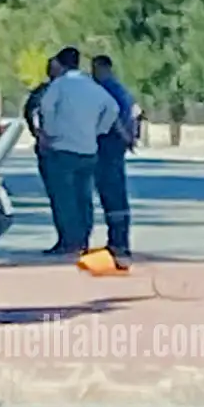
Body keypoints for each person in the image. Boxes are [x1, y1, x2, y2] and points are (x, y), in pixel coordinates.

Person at [37, 46, 118, 256]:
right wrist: (99, 130)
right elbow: (113, 108)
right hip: (88, 149)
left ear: (60, 64)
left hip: (62, 148)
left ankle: (69, 241)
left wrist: (50, 131)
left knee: (64, 198)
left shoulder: (61, 85)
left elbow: (45, 106)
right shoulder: (91, 85)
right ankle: (82, 239)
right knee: (83, 197)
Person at [90, 55, 135, 264]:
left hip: (108, 143)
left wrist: (123, 134)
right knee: (117, 191)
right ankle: (120, 239)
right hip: (118, 144)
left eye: (94, 69)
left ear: (102, 68)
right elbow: (135, 114)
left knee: (111, 192)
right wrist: (131, 137)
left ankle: (118, 242)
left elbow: (113, 115)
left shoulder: (105, 89)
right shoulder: (122, 89)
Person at [24, 56, 66, 253]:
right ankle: (70, 238)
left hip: (55, 147)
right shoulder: (44, 92)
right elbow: (30, 113)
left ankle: (71, 239)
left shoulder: (48, 92)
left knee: (65, 196)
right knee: (64, 196)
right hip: (54, 148)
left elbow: (31, 112)